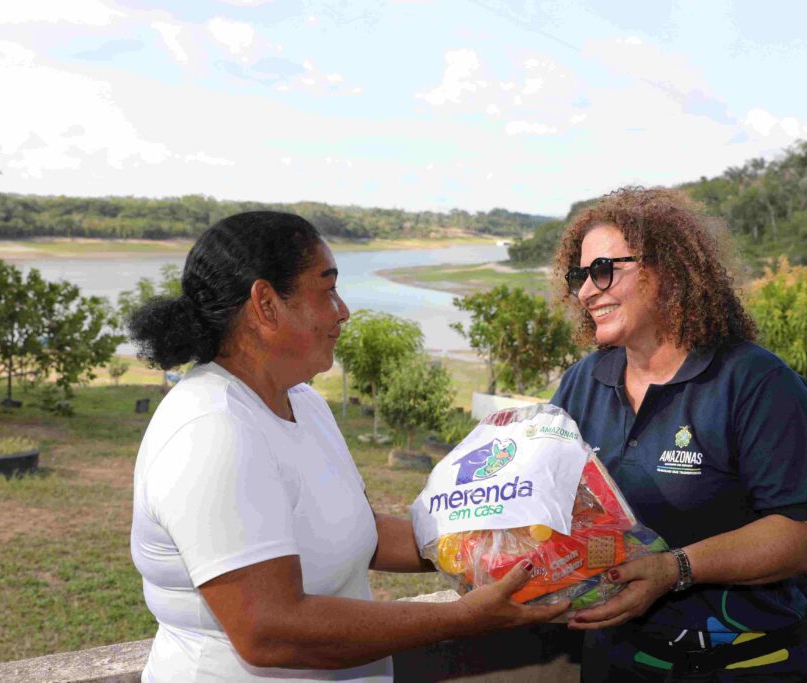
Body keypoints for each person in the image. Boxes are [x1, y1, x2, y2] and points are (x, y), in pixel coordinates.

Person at [128, 211, 567, 683]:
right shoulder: (212, 429)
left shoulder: (303, 401)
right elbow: (269, 631)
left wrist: (496, 544)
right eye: (327, 290)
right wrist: (465, 618)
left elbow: (357, 529)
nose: (343, 310)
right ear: (266, 303)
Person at [549, 188, 807, 681]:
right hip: (617, 660)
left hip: (743, 664)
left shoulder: (754, 382)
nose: (585, 292)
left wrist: (674, 569)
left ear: (668, 270)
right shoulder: (584, 382)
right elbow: (548, 497)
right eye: (580, 276)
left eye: (602, 270)